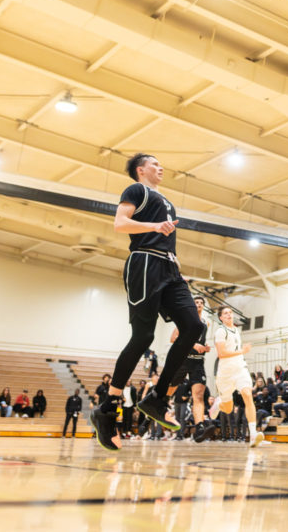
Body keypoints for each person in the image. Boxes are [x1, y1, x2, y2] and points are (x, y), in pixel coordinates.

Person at [90, 153, 207, 451]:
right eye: (155, 164)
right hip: (144, 264)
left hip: (170, 268)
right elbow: (120, 223)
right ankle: (107, 407)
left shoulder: (167, 201)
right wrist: (154, 228)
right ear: (141, 170)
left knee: (193, 326)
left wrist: (175, 263)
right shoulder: (136, 191)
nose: (161, 167)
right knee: (143, 336)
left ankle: (157, 398)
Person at [213, 305, 263, 447]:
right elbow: (221, 354)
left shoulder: (236, 330)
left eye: (230, 312)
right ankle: (219, 403)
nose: (229, 314)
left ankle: (253, 435)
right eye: (226, 313)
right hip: (225, 374)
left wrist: (241, 353)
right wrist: (242, 351)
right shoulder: (220, 332)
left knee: (248, 394)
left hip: (240, 369)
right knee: (228, 409)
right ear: (221, 317)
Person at [172, 294, 218, 442]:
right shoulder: (184, 318)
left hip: (198, 362)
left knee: (198, 396)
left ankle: (199, 428)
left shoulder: (206, 322)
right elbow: (173, 338)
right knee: (169, 390)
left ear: (203, 306)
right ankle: (152, 417)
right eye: (196, 302)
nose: (198, 304)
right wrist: (193, 345)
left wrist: (205, 347)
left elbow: (201, 340)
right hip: (182, 360)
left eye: (201, 303)